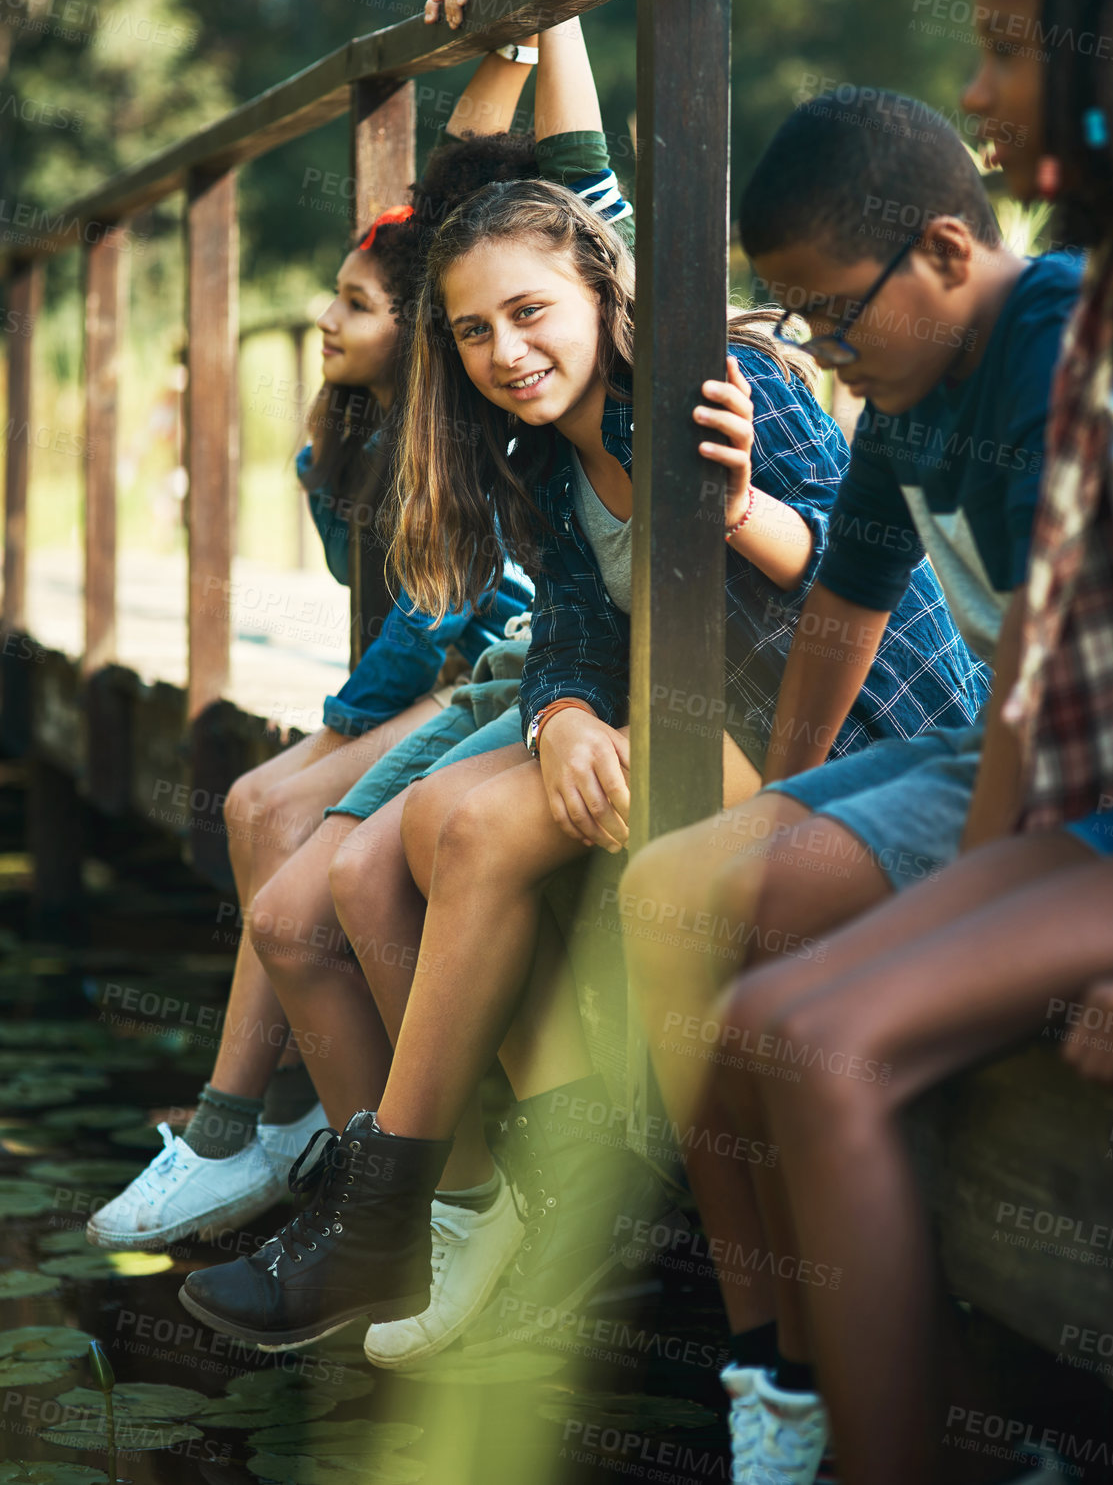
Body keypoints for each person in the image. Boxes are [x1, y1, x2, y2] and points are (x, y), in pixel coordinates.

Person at [175, 172, 984, 1355]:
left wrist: (738, 509)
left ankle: (385, 1214)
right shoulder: (544, 459)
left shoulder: (729, 376)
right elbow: (573, 629)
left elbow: (861, 577)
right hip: (698, 721)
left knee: (488, 830)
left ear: (603, 291)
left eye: (530, 311)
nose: (506, 350)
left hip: (861, 732)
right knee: (440, 819)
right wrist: (560, 720)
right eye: (472, 331)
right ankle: (516, 1183)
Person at [709, 0, 1113, 1485]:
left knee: (813, 1028)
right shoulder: (1103, 319)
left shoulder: (1062, 340)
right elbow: (1011, 655)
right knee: (757, 993)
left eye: (1010, 46)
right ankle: (845, 1398)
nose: (973, 88)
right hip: (1093, 818)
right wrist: (974, 906)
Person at [613, 78, 1083, 1479]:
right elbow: (843, 605)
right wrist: (783, 793)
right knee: (664, 890)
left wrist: (981, 892)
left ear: (943, 251)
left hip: (1072, 760)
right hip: (987, 745)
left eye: (830, 310)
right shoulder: (906, 386)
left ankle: (942, 1419)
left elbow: (1051, 657)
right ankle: (777, 1357)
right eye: (794, 318)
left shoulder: (1043, 345)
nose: (816, 347)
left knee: (777, 950)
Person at [86, 0, 547, 1251]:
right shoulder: (373, 427)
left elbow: (431, 617)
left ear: (419, 323)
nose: (324, 313)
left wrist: (514, 48)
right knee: (251, 796)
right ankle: (278, 1124)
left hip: (475, 678)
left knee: (281, 807)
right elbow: (371, 583)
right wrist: (323, 452)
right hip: (434, 678)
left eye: (351, 303)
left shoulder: (458, 408)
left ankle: (274, 1133)